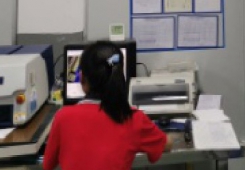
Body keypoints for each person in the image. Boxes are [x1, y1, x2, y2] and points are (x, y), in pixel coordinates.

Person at [43, 41, 173, 170]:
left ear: (82, 78)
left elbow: (48, 164)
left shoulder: (63, 117)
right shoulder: (133, 118)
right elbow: (166, 145)